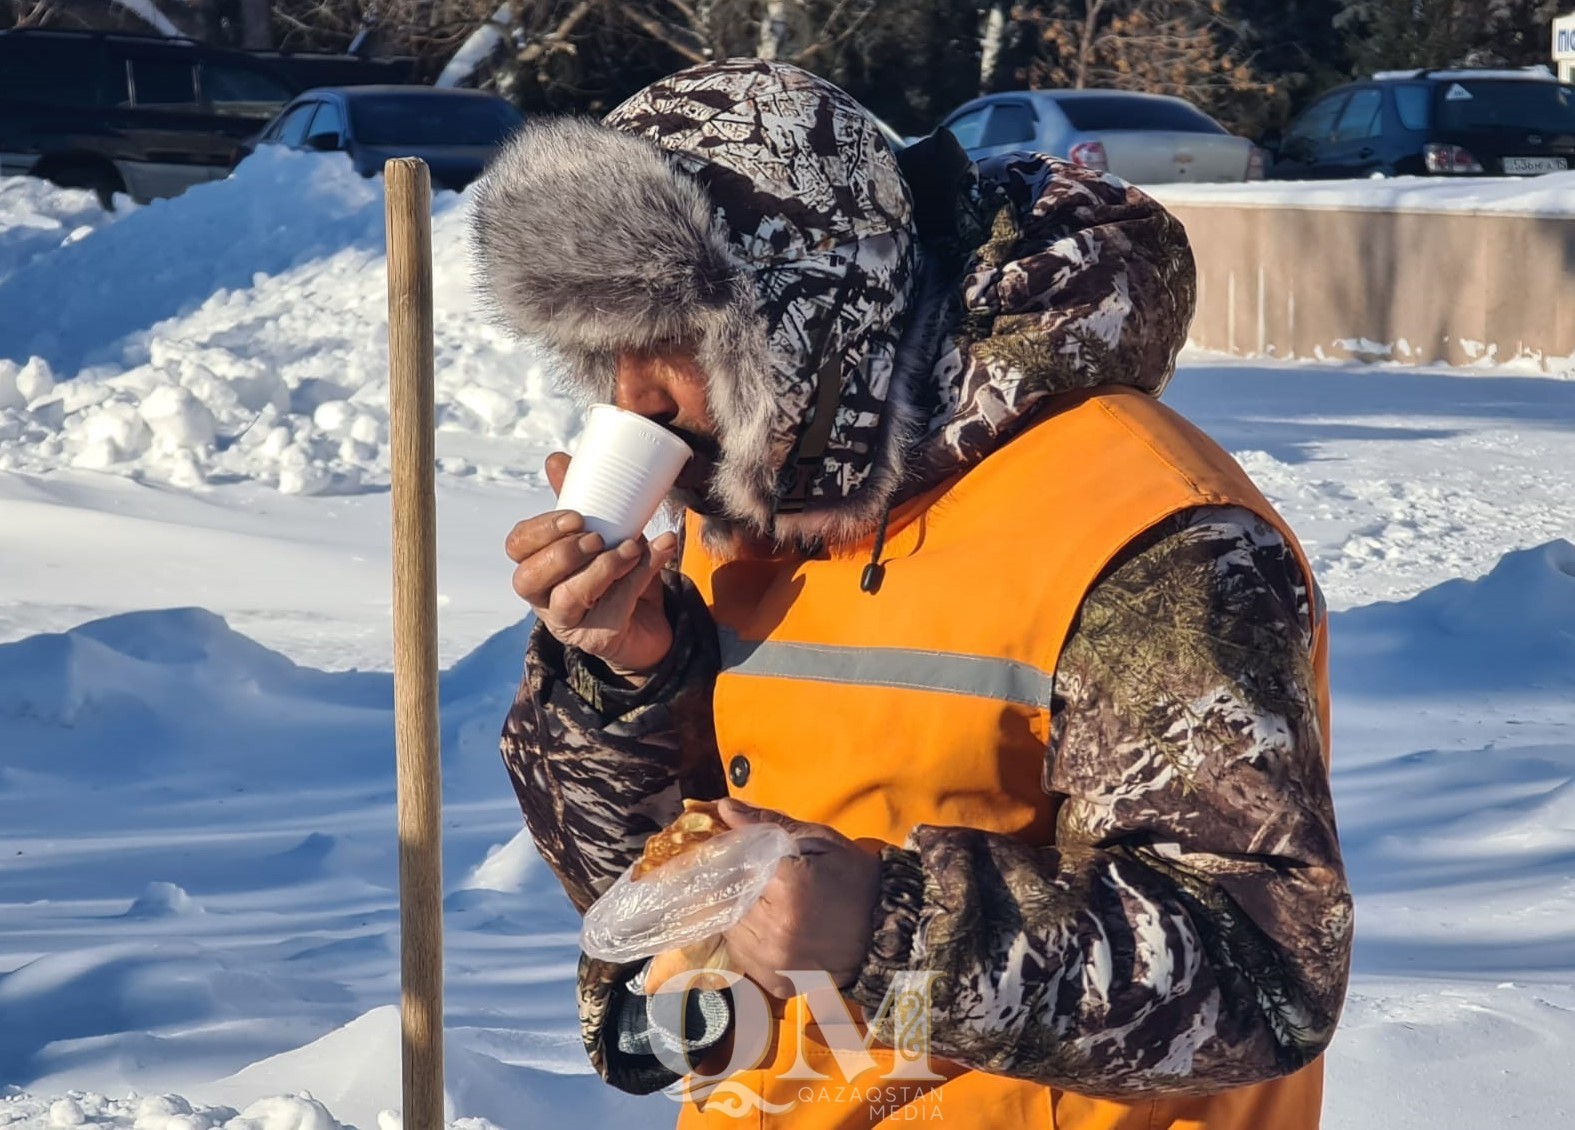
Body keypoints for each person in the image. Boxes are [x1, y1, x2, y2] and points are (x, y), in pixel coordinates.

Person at [471, 59, 1352, 1130]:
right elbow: (641, 898)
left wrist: (891, 925)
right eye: (601, 350)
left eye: (671, 341)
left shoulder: (1142, 527)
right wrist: (623, 679)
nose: (633, 397)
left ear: (806, 320)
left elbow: (1264, 968)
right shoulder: (746, 506)